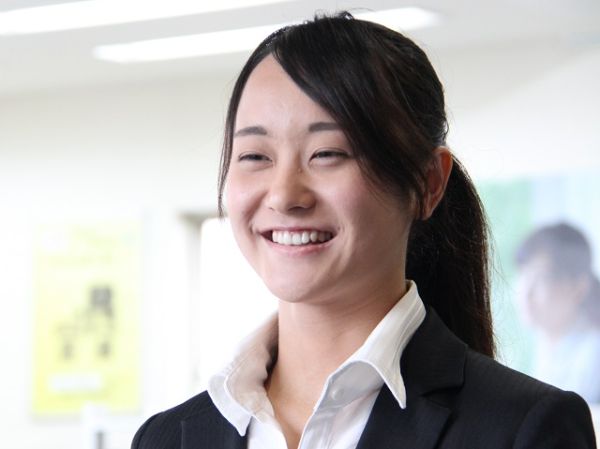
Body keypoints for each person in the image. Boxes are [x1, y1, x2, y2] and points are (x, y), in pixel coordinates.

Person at [132, 12, 596, 449]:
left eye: (327, 154)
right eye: (255, 156)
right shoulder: (167, 438)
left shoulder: (522, 427)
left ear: (427, 184)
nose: (284, 195)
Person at [516, 222, 600, 404]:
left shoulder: (594, 354)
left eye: (540, 279)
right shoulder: (544, 342)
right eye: (523, 275)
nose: (526, 293)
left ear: (578, 287)